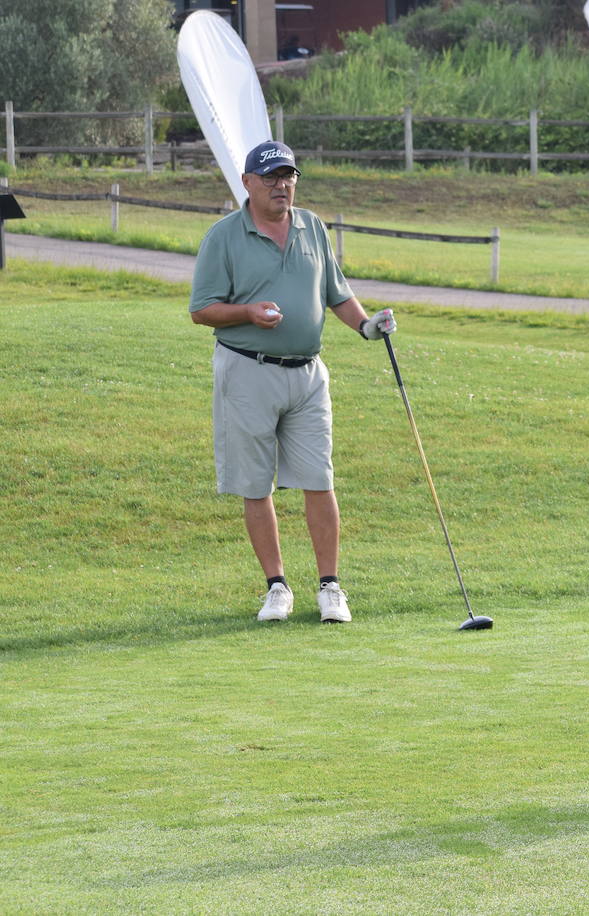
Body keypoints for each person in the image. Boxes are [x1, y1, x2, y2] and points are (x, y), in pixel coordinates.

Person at [190, 140, 396, 624]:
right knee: (255, 483)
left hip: (307, 375)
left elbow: (336, 294)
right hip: (246, 369)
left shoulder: (312, 226)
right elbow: (201, 309)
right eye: (270, 178)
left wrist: (367, 326)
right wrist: (246, 311)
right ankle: (277, 587)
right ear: (247, 183)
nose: (282, 186)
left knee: (319, 480)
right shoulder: (223, 237)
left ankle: (330, 588)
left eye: (288, 176)